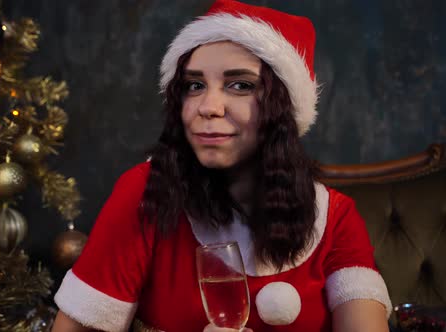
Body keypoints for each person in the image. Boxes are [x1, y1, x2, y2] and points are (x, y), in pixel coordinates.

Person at [51, 0, 392, 331]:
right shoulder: (145, 192)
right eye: (194, 85)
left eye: (240, 85)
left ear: (282, 108)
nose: (208, 106)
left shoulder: (335, 218)